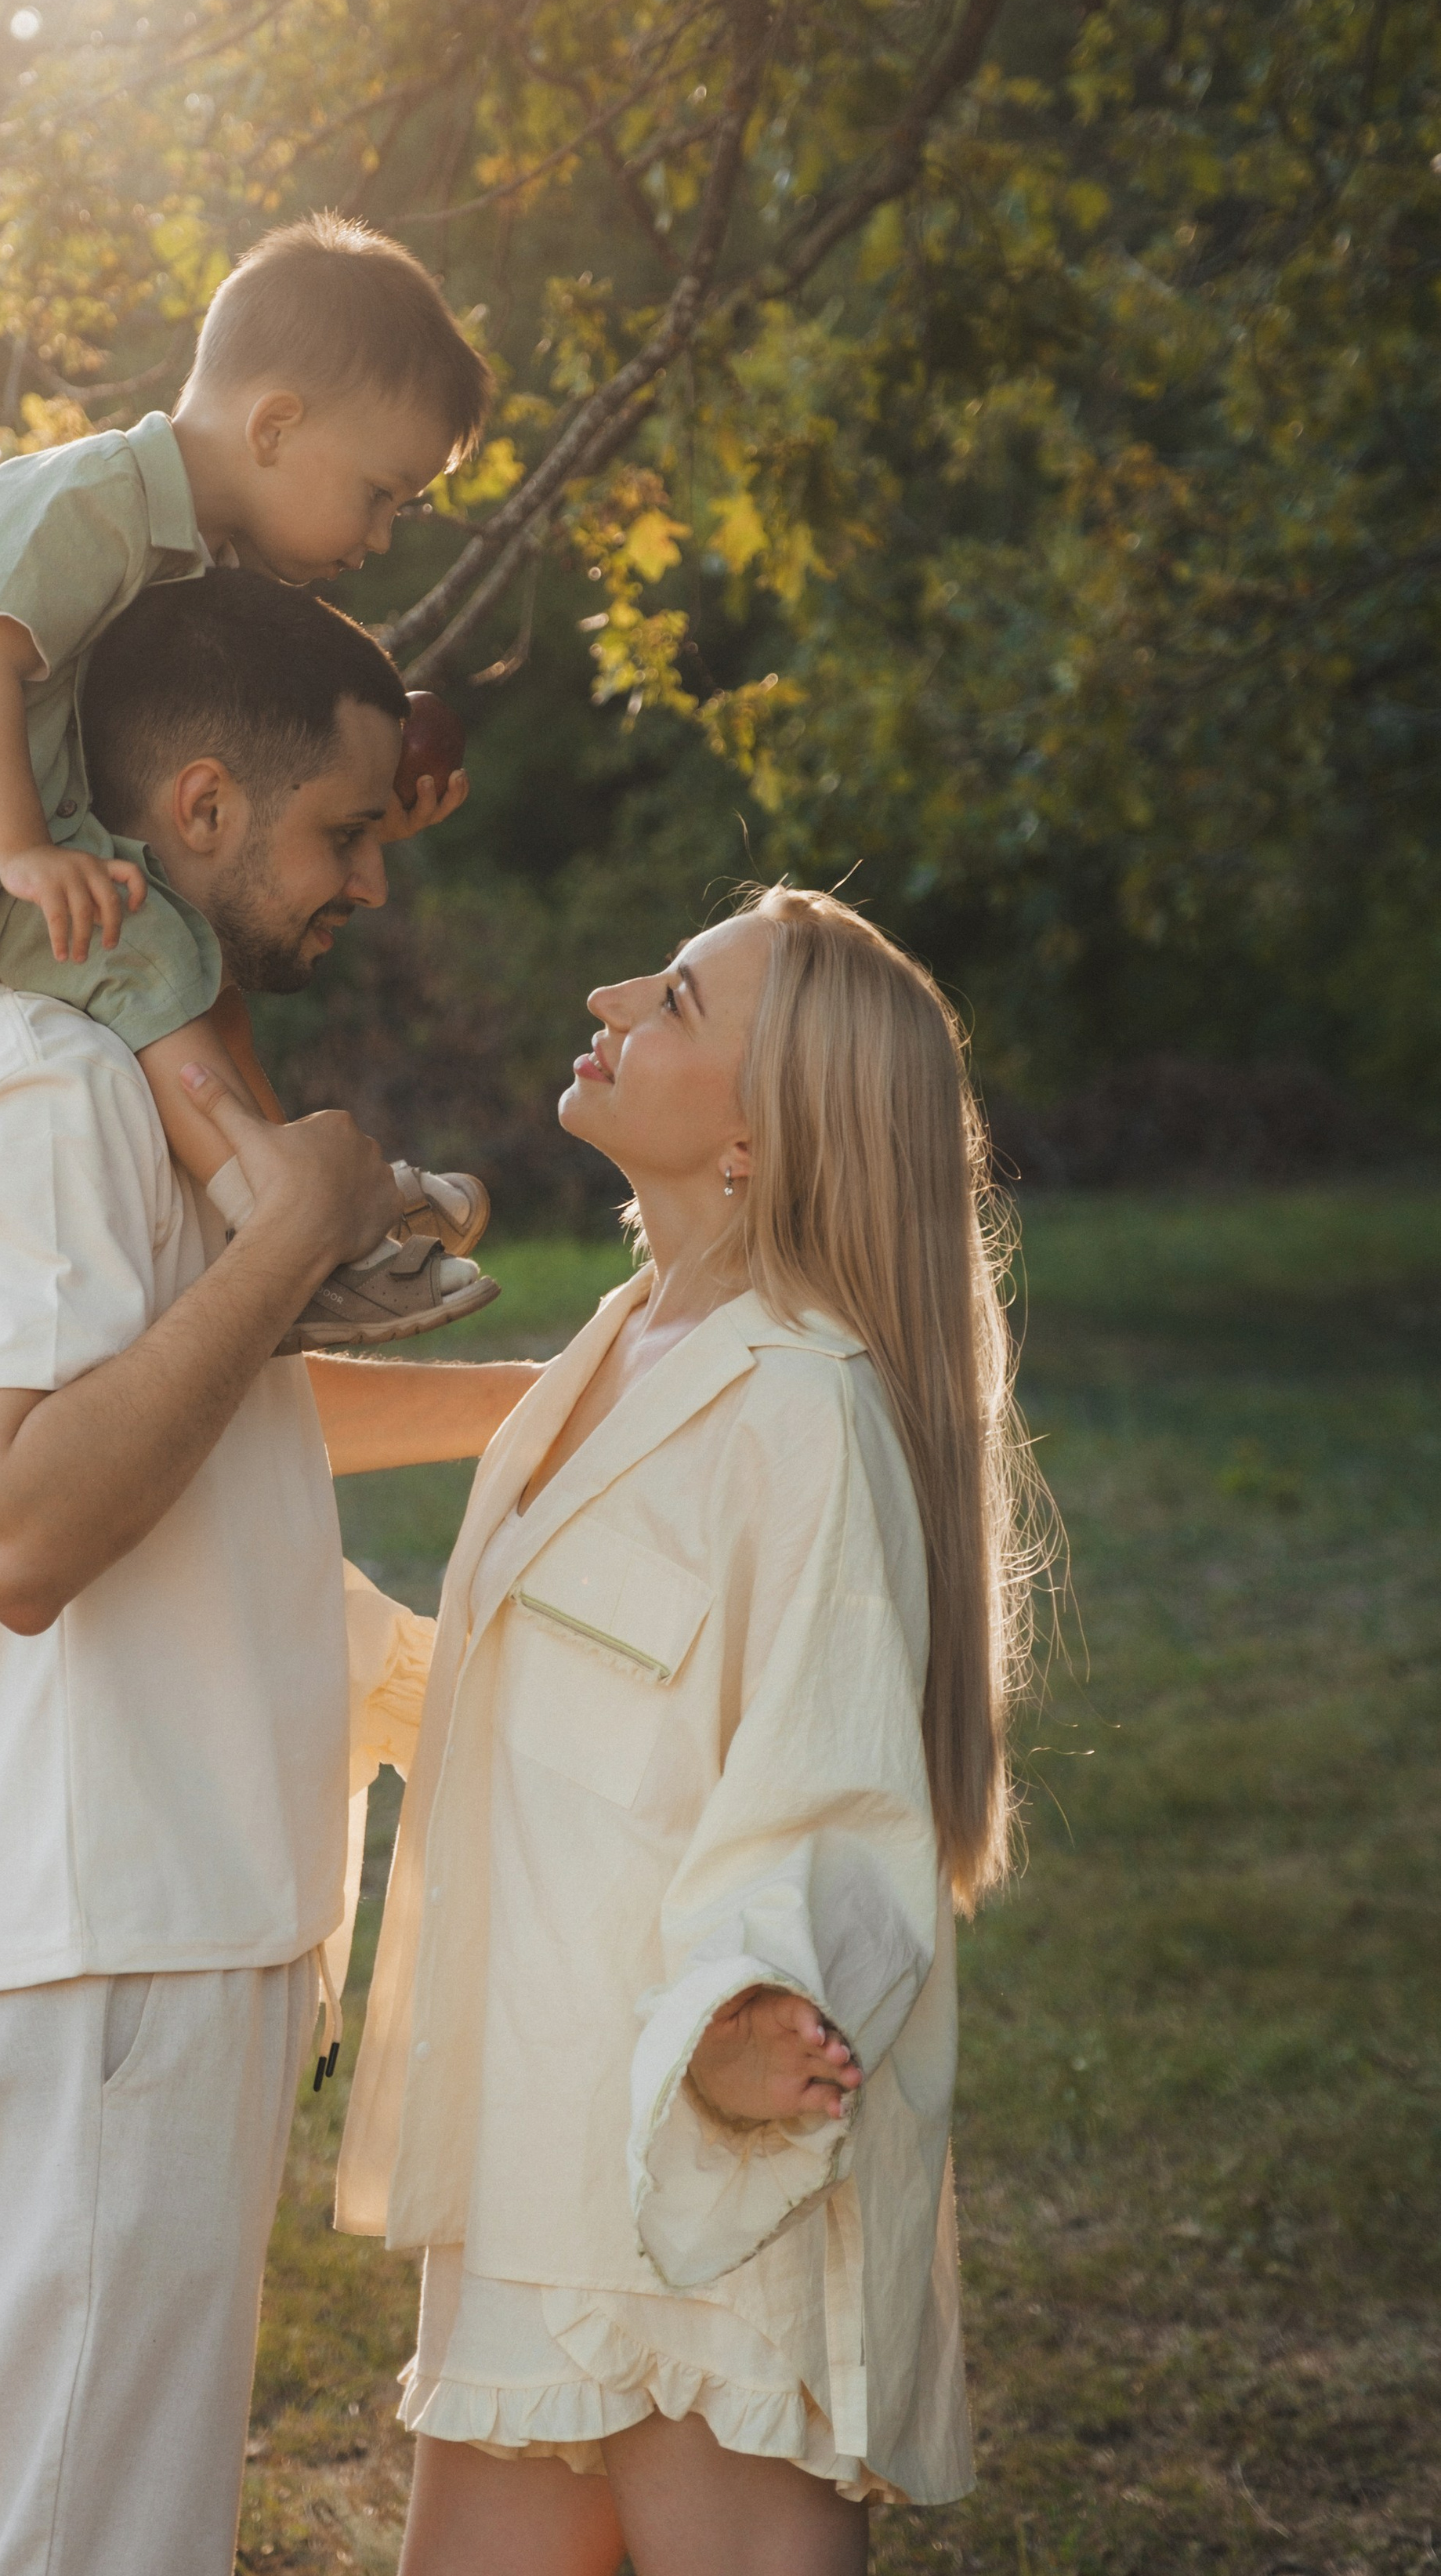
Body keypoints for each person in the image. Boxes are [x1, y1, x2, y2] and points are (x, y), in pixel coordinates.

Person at [0, 568, 536, 2576]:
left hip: (143, 1922)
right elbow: (22, 1525)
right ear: (204, 805)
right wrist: (292, 1231)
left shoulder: (101, 1063)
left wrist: (573, 1397)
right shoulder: (44, 1084)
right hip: (98, 1939)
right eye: (341, 832)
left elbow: (204, 1418)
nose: (369, 883)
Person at [337, 887, 1052, 2575]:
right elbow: (562, 1715)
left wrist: (740, 2028)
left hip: (702, 2189)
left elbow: (835, 1773)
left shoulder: (803, 1405)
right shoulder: (615, 1347)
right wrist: (313, 1645)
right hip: (535, 2159)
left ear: (755, 1135)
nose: (604, 995)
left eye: (669, 998)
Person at [0, 210, 498, 1348]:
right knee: (158, 958)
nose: (379, 537)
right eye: (379, 493)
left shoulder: (210, 556)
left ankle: (293, 1215)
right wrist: (24, 852)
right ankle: (290, 1230)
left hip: (63, 836)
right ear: (274, 425)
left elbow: (252, 782)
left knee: (206, 964)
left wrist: (365, 817)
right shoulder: (87, 496)